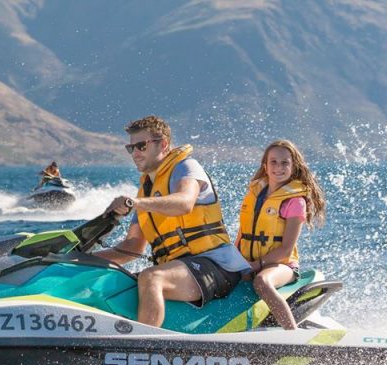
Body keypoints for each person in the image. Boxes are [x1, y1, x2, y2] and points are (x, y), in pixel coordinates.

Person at [96, 115, 251, 327]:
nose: (136, 153)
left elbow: (185, 202)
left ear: (163, 144)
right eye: (131, 148)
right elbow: (132, 247)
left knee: (152, 278)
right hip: (182, 270)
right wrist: (81, 259)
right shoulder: (146, 190)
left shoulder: (186, 167)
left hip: (217, 266)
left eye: (141, 145)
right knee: (121, 285)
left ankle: (142, 349)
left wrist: (137, 202)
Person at [236, 140, 326, 329]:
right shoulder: (254, 195)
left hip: (281, 265)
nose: (279, 167)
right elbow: (241, 236)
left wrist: (256, 265)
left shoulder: (295, 202)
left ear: (293, 167)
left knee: (262, 281)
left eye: (285, 163)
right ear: (265, 166)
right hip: (250, 262)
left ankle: (291, 335)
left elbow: (286, 250)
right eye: (274, 162)